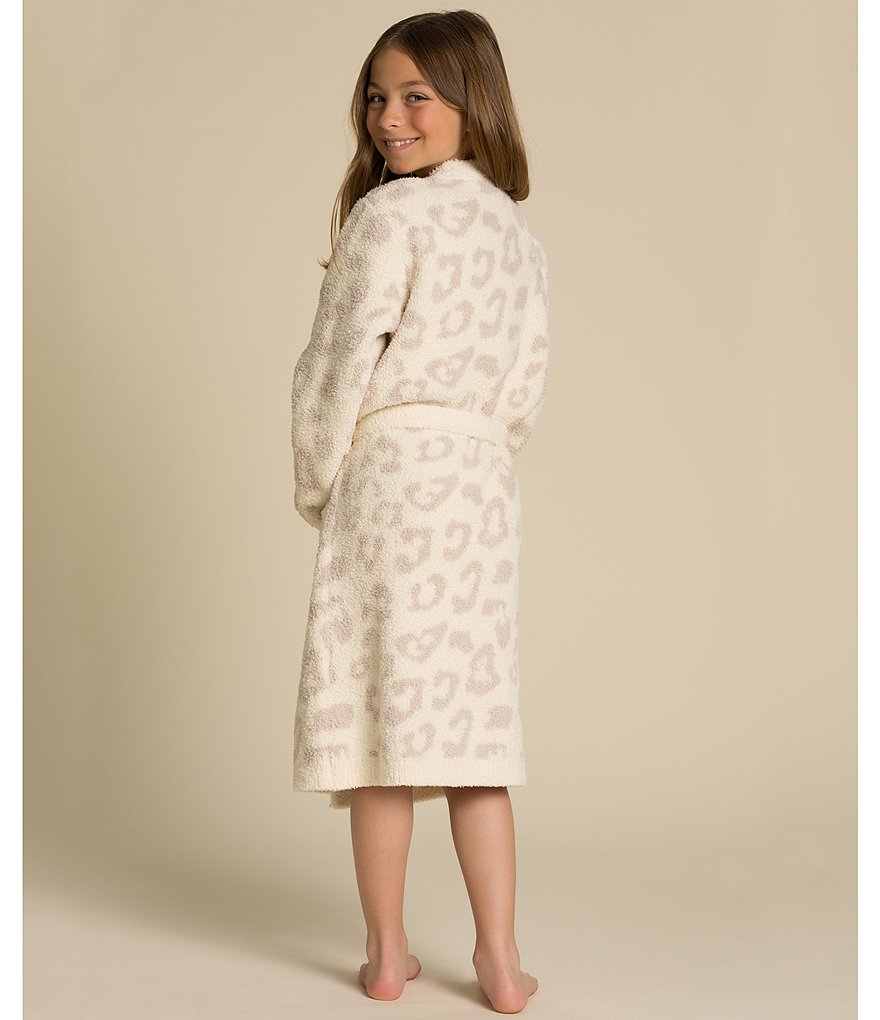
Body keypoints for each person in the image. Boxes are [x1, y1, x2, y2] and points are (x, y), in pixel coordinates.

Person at [289, 10, 549, 1014]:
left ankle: (389, 957)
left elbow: (335, 364)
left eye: (414, 97)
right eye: (375, 97)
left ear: (471, 105)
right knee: (474, 731)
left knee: (381, 734)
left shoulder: (387, 218)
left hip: (393, 478)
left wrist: (318, 478)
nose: (388, 118)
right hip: (481, 489)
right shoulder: (518, 237)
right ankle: (501, 961)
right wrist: (478, 455)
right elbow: (525, 386)